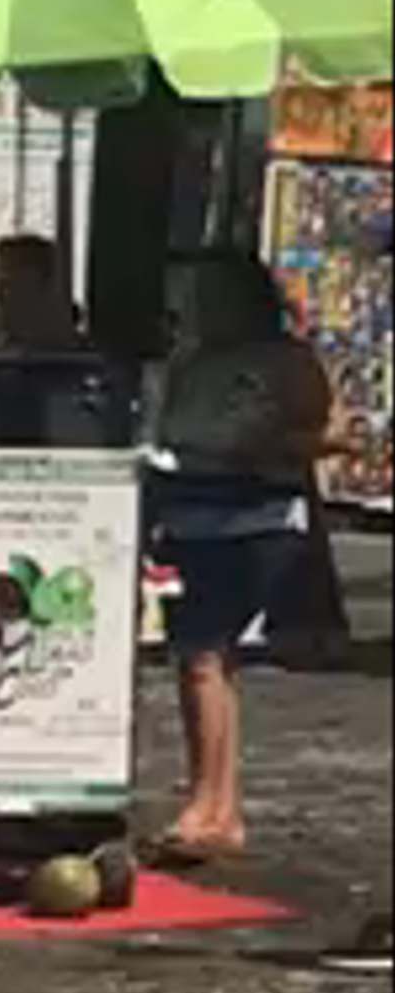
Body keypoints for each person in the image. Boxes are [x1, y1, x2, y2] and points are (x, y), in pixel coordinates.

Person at [146, 244, 334, 865]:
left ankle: (210, 805)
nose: (204, 310)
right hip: (192, 515)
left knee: (204, 654)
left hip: (255, 518)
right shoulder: (190, 362)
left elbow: (329, 433)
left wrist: (267, 443)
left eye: (216, 297)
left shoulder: (285, 362)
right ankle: (217, 803)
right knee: (200, 661)